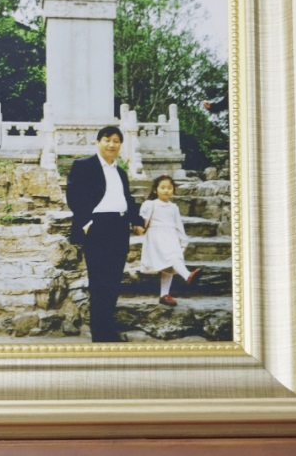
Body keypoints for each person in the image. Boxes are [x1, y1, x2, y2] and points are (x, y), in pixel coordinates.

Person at [65, 126, 146, 342]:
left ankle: (108, 329)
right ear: (98, 142)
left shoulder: (120, 172)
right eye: (107, 140)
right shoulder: (84, 166)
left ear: (121, 145)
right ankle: (100, 335)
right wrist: (87, 223)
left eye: (116, 141)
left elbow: (127, 199)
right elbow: (74, 196)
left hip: (119, 228)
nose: (111, 144)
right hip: (97, 227)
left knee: (113, 281)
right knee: (99, 282)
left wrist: (136, 221)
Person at [139, 174, 201, 306]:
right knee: (171, 258)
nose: (166, 190)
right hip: (157, 237)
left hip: (171, 237)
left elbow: (178, 225)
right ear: (155, 190)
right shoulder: (150, 204)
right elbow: (142, 220)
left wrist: (183, 240)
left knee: (171, 263)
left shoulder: (174, 207)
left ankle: (164, 295)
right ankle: (187, 275)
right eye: (162, 187)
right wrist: (139, 229)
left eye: (169, 188)